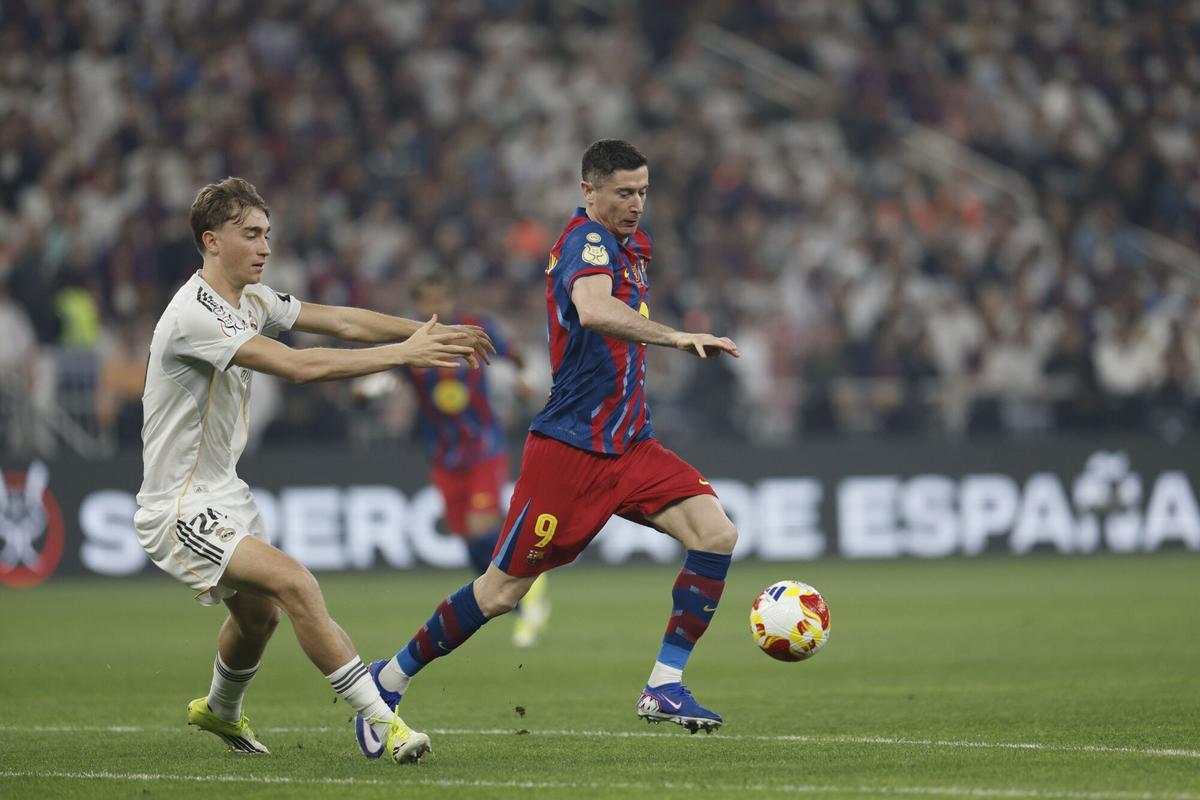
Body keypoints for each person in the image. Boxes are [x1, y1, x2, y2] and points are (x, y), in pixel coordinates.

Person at [365, 139, 741, 734]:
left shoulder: (630, 246)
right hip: (570, 452)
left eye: (643, 191)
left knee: (716, 533)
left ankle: (664, 686)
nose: (636, 203)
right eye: (623, 192)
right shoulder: (584, 243)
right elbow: (592, 310)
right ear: (588, 191)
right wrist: (674, 336)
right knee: (499, 593)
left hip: (633, 445)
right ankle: (389, 680)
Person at [134, 177, 493, 763]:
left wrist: (424, 331)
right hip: (178, 504)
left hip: (223, 492)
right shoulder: (193, 315)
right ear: (211, 241)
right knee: (295, 582)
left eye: (267, 234)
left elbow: (340, 322)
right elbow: (296, 366)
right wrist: (404, 355)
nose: (264, 246)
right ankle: (383, 722)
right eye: (250, 234)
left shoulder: (249, 299)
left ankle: (219, 710)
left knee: (260, 618)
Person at [355, 273, 551, 647]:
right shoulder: (412, 344)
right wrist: (364, 391)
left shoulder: (477, 329)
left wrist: (522, 379)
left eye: (441, 298)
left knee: (480, 529)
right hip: (443, 455)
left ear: (452, 299)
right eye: (427, 300)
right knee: (470, 543)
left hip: (483, 447)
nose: (435, 307)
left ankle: (530, 584)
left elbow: (515, 355)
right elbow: (380, 376)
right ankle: (516, 598)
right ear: (417, 303)